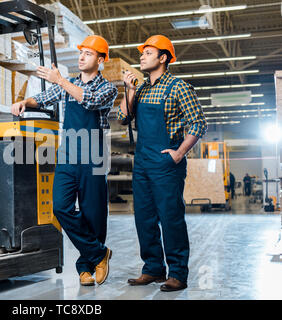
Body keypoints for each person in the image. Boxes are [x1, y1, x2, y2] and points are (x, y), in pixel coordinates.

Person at [11, 35, 118, 286]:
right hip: (68, 155)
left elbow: (89, 100)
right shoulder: (67, 84)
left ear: (100, 60)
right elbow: (45, 98)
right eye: (81, 53)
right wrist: (25, 102)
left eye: (88, 54)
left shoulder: (107, 88)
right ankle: (100, 254)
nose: (81, 57)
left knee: (93, 215)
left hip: (93, 157)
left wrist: (60, 80)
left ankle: (85, 267)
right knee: (60, 207)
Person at [117, 35, 207, 292]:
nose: (142, 56)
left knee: (170, 218)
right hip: (143, 162)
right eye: (142, 53)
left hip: (167, 163)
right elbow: (123, 117)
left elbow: (198, 123)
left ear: (163, 57)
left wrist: (179, 153)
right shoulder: (142, 89)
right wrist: (130, 90)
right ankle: (153, 269)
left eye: (148, 52)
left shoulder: (179, 87)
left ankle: (177, 273)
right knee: (144, 218)